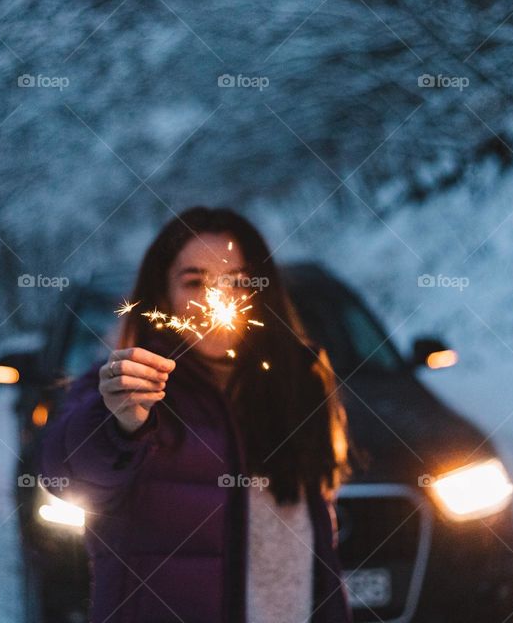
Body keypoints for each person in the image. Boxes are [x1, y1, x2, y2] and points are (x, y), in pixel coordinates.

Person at [41, 206, 353, 623]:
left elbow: (320, 549)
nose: (215, 299)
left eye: (236, 282)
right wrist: (119, 424)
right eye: (194, 281)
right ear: (161, 294)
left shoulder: (299, 383)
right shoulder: (126, 388)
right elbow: (65, 475)